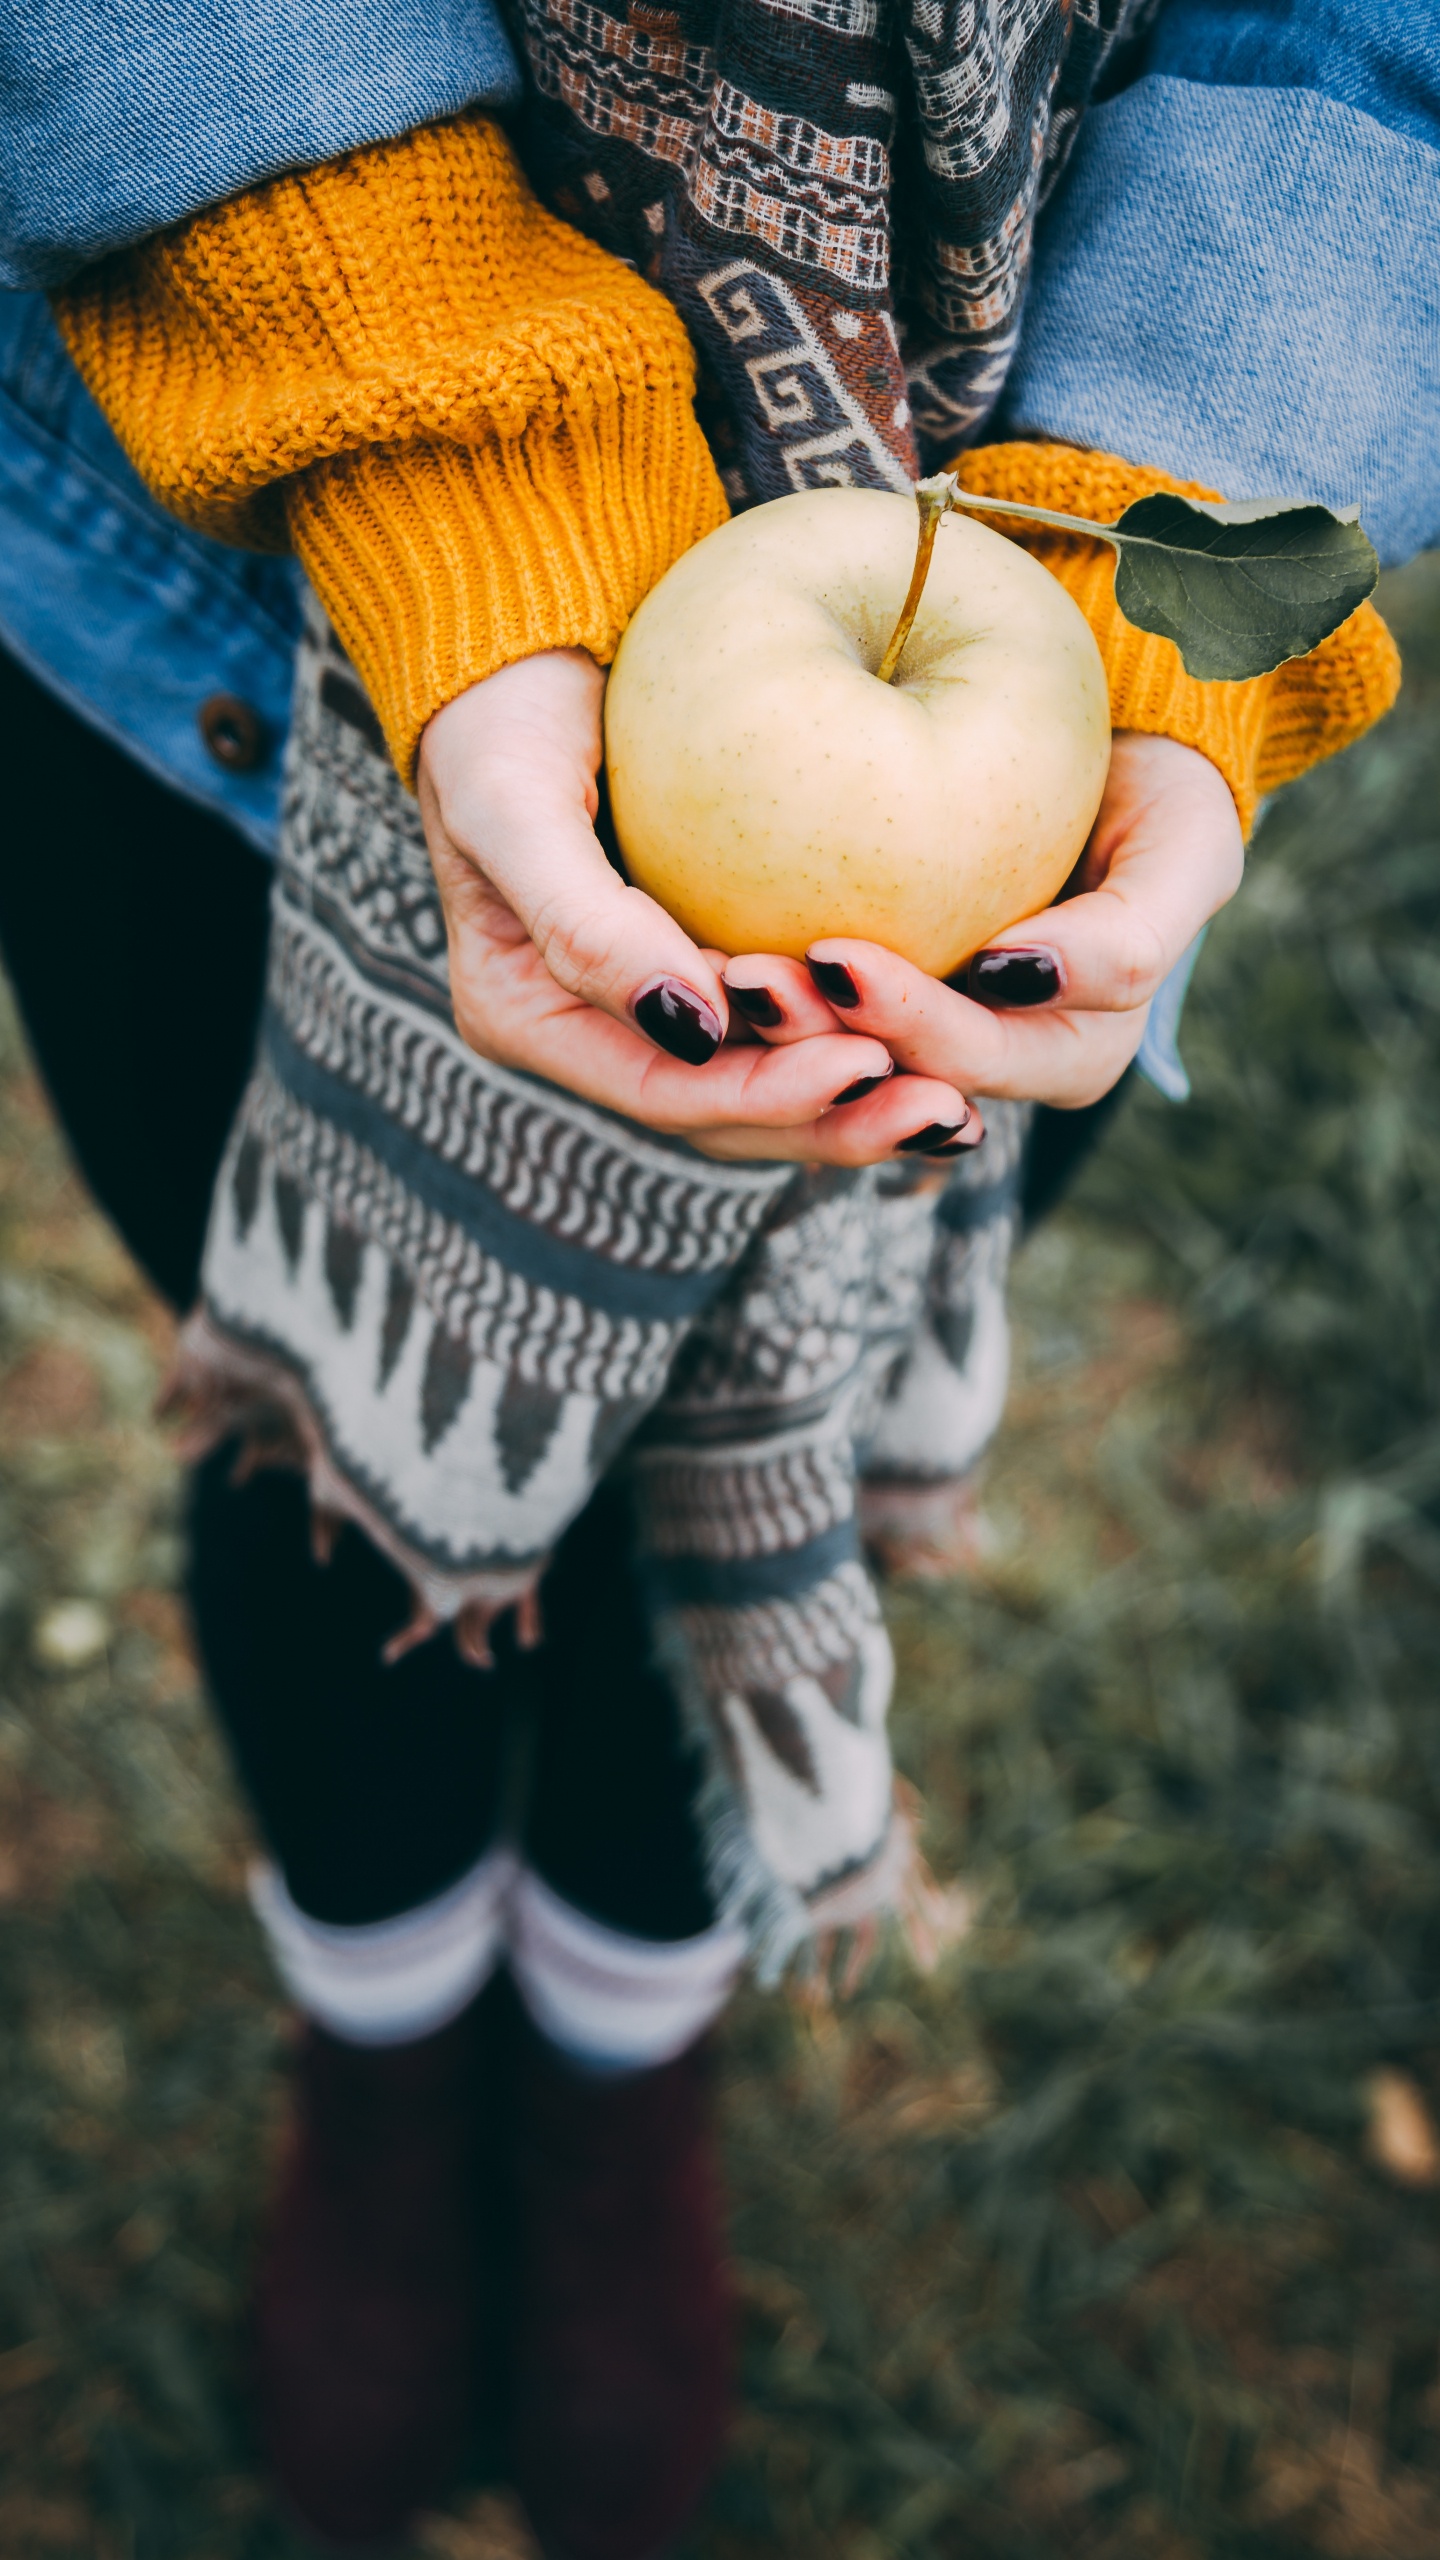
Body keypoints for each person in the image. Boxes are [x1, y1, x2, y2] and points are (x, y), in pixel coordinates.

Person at [0, 0, 1434, 2549]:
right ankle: (389, 2052)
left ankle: (616, 2065)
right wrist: (450, 436)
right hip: (230, 542)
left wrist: (1155, 546)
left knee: (751, 1393)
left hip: (1025, 560)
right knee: (341, 1432)